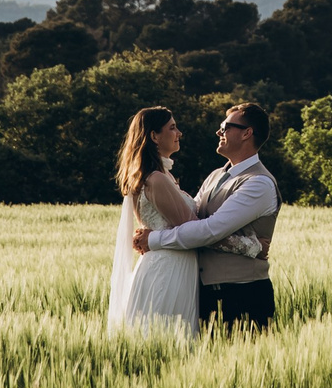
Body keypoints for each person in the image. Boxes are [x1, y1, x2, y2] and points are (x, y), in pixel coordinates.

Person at [133, 102, 281, 330]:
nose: (218, 131)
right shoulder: (215, 176)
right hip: (203, 293)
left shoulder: (258, 183)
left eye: (226, 126)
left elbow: (209, 230)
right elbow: (198, 224)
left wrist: (153, 240)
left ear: (247, 133)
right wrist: (250, 246)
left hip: (243, 292)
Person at [106, 108, 201, 338]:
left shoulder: (159, 176)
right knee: (165, 336)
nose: (179, 133)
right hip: (167, 269)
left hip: (171, 262)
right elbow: (192, 228)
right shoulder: (156, 179)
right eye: (172, 127)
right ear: (154, 136)